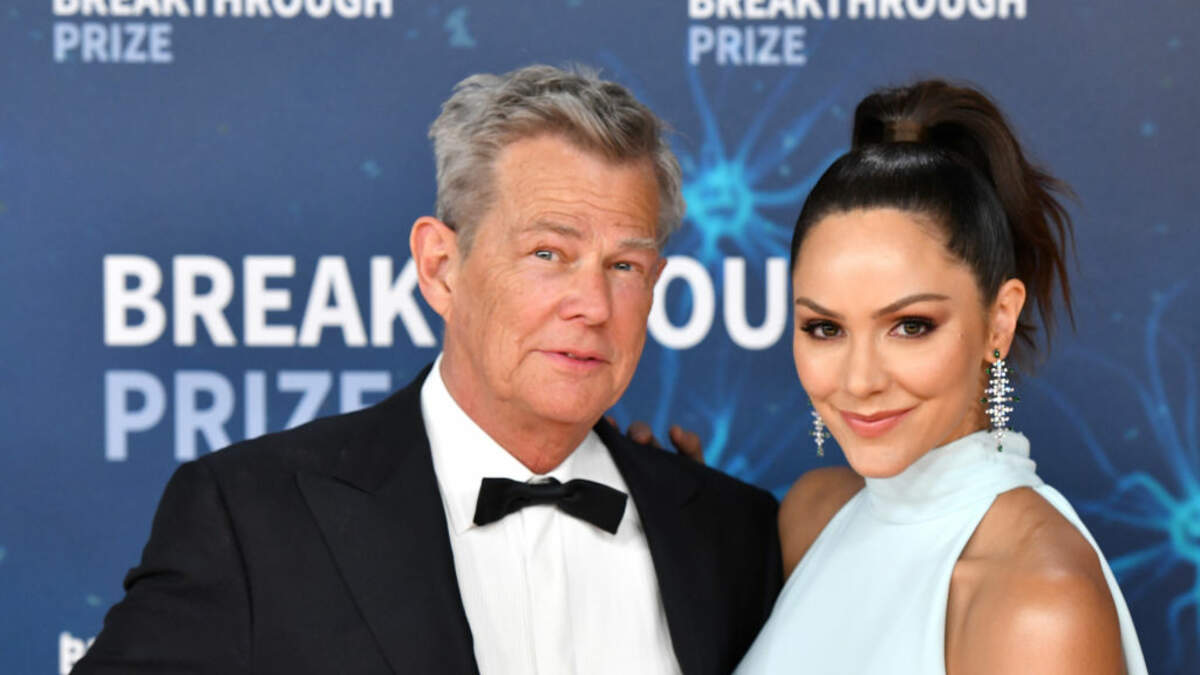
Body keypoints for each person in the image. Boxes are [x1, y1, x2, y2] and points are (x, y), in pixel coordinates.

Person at [73, 64, 781, 675]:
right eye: (548, 254)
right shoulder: (251, 517)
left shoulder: (735, 535)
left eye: (623, 266)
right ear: (441, 267)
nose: (593, 306)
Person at [733, 81, 1148, 673]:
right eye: (825, 328)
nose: (860, 379)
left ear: (999, 320)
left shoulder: (1040, 605)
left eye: (910, 326)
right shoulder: (812, 515)